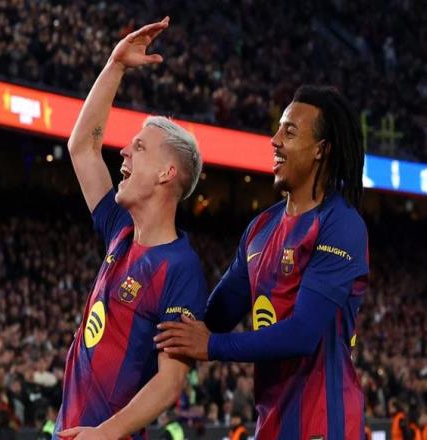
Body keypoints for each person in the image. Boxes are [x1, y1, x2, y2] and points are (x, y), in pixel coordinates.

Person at [156, 85, 370, 439]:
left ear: (321, 149)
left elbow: (302, 334)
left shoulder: (341, 225)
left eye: (289, 132)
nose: (274, 140)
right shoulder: (260, 228)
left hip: (323, 426)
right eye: (277, 129)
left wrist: (212, 346)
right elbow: (215, 317)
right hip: (270, 424)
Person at [54, 16, 207, 440]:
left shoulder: (181, 269)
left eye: (138, 147)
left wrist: (105, 433)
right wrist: (115, 65)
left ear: (166, 173)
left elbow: (169, 382)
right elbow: (82, 147)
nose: (123, 150)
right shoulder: (119, 230)